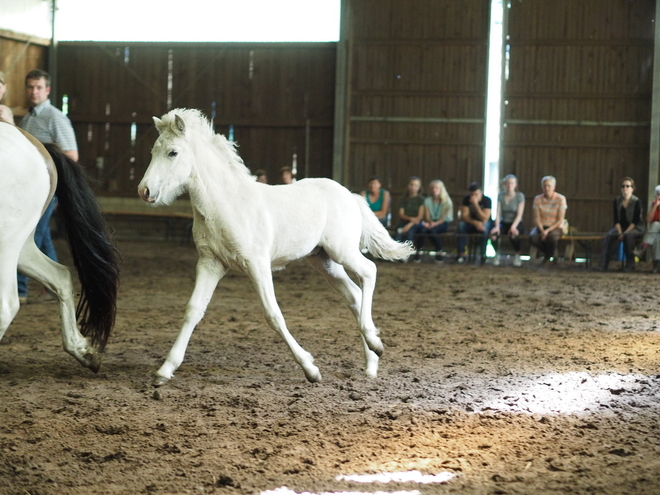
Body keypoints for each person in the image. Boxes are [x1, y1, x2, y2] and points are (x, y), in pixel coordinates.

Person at [17, 69, 79, 304]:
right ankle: (54, 286)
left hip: (44, 190)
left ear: (47, 90)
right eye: (31, 87)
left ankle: (21, 290)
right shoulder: (29, 117)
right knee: (41, 238)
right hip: (27, 189)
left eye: (39, 87)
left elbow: (71, 155)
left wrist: (53, 188)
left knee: (27, 236)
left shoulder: (55, 117)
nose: (34, 91)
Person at [598, 177, 645, 272]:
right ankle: (603, 264)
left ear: (632, 188)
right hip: (621, 227)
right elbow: (616, 220)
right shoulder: (617, 201)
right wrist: (620, 233)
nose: (625, 188)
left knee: (628, 236)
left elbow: (635, 221)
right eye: (623, 186)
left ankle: (630, 265)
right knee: (610, 235)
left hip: (635, 227)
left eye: (628, 186)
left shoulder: (637, 201)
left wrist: (625, 233)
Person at [529, 176, 567, 265]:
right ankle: (552, 254)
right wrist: (542, 230)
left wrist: (547, 231)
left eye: (549, 186)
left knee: (552, 238)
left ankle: (546, 258)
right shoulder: (537, 199)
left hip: (556, 226)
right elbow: (536, 218)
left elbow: (560, 219)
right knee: (532, 238)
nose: (546, 188)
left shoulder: (561, 198)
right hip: (541, 225)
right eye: (544, 186)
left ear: (554, 187)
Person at [490, 174, 525, 267]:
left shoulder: (520, 196)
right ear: (504, 184)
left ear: (515, 185)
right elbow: (497, 213)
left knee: (514, 234)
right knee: (493, 235)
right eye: (508, 183)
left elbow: (519, 215)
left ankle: (517, 255)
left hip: (516, 223)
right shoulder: (500, 195)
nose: (510, 185)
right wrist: (497, 227)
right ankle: (496, 254)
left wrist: (513, 227)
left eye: (512, 183)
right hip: (504, 222)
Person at [415, 179, 453, 262]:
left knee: (432, 231)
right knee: (422, 230)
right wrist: (430, 222)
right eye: (432, 188)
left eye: (436, 188)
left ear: (441, 189)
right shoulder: (427, 201)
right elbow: (427, 216)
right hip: (431, 222)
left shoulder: (446, 201)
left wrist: (434, 224)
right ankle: (418, 251)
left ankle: (439, 251)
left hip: (443, 223)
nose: (434, 190)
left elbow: (443, 218)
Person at [457, 182, 493, 264]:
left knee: (485, 227)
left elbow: (485, 217)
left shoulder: (487, 200)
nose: (473, 197)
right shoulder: (466, 199)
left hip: (484, 223)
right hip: (471, 223)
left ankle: (483, 255)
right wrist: (475, 223)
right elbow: (464, 216)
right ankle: (461, 254)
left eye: (476, 194)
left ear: (480, 192)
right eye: (471, 195)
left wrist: (475, 205)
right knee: (461, 226)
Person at [394, 176, 425, 245]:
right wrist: (410, 219)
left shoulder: (421, 199)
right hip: (404, 221)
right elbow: (401, 214)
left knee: (410, 233)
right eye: (411, 184)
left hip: (416, 223)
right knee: (398, 234)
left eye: (415, 185)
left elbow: (420, 217)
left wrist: (409, 225)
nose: (413, 187)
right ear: (408, 185)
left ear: (419, 187)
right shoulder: (403, 198)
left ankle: (409, 252)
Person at [639, 185, 660, 273]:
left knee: (655, 224)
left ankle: (643, 246)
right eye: (658, 194)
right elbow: (648, 219)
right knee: (657, 238)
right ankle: (657, 266)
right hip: (655, 233)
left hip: (654, 229)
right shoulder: (652, 204)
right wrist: (655, 206)